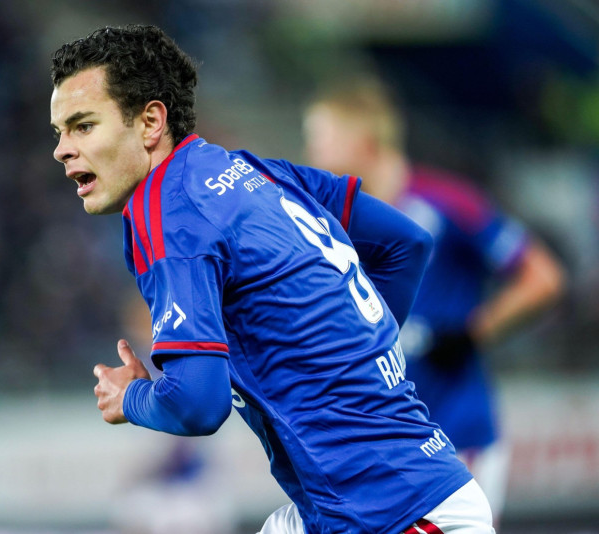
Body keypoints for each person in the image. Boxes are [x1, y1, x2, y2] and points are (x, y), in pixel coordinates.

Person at [50, 25, 493, 533]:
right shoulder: (259, 172)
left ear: (151, 122)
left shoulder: (168, 211)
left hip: (395, 513)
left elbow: (198, 404)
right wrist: (352, 353)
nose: (62, 149)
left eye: (83, 126)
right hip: (367, 503)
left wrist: (129, 397)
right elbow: (404, 244)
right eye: (59, 132)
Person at [303, 77, 566, 528]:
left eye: (320, 140)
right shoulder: (324, 221)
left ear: (363, 143)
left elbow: (542, 277)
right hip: (378, 449)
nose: (311, 155)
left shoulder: (448, 203)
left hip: (456, 441)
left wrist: (471, 334)